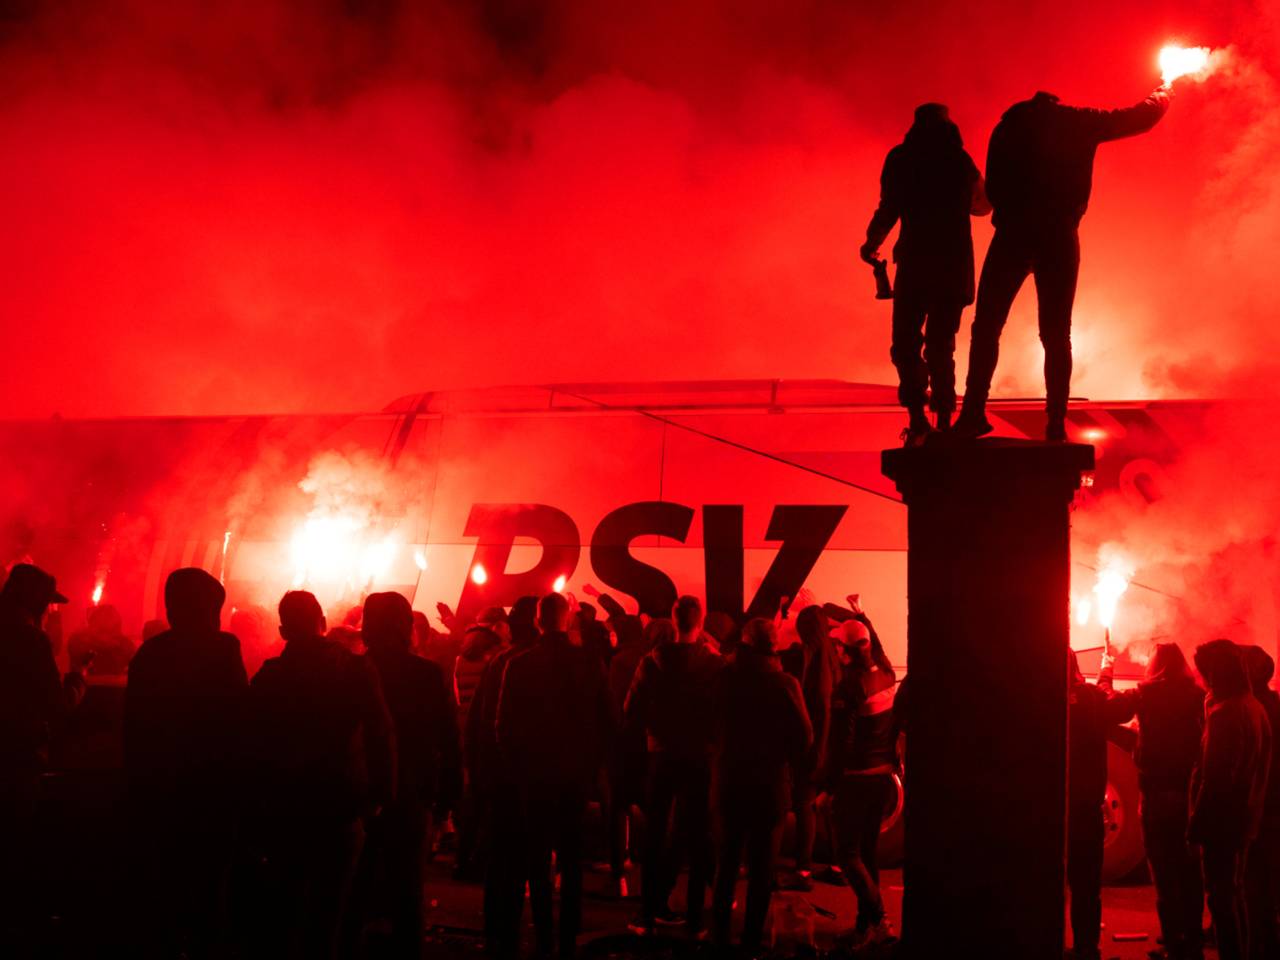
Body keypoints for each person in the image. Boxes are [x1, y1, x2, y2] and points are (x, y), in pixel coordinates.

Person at [956, 84, 1170, 441]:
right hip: (1058, 236)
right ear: (1055, 104)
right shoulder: (1076, 122)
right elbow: (1139, 119)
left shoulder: (1008, 127)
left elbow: (993, 189)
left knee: (987, 325)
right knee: (1056, 334)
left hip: (1011, 234)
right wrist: (1164, 93)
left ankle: (973, 412)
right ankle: (1055, 423)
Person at [242, 590, 395, 960]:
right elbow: (380, 733)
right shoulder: (355, 669)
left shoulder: (269, 677)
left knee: (284, 907)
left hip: (285, 807)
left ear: (282, 629)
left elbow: (249, 743)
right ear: (323, 622)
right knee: (331, 911)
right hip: (339, 804)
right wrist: (381, 796)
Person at [124, 567, 248, 958]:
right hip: (211, 788)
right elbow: (239, 715)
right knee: (210, 885)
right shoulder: (222, 648)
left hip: (159, 786)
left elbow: (134, 724)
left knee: (165, 883)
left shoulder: (150, 653)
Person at [861, 102, 991, 445]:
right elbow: (983, 204)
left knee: (906, 343)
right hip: (953, 266)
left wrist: (871, 243)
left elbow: (888, 207)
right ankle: (945, 421)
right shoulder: (959, 161)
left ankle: (918, 419)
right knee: (940, 345)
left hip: (916, 265)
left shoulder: (902, 159)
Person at [496, 592, 616, 959]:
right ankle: (569, 932)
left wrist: (517, 768)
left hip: (535, 774)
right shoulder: (589, 662)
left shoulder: (518, 665)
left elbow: (503, 726)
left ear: (537, 620)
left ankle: (544, 932)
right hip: (575, 774)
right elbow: (608, 720)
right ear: (567, 620)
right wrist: (594, 764)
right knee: (571, 854)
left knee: (537, 856)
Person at [355, 591, 462, 958]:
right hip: (413, 792)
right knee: (408, 889)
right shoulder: (426, 674)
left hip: (363, 793)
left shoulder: (355, 670)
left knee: (358, 885)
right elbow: (448, 736)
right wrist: (449, 795)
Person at [710, 618, 812, 952]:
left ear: (745, 643)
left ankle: (719, 937)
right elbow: (804, 737)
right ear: (774, 645)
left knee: (725, 864)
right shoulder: (785, 683)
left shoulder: (723, 678)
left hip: (730, 781)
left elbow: (707, 724)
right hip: (769, 786)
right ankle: (751, 943)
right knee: (761, 870)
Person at [0, 564, 88, 950]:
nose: (50, 612)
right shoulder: (29, 640)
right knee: (12, 846)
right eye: (48, 605)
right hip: (16, 758)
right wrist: (77, 676)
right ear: (35, 600)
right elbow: (58, 708)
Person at [1099, 643, 1206, 960]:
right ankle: (1193, 943)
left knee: (1163, 870)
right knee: (1189, 872)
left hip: (1157, 795)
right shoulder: (1197, 695)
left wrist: (1107, 671)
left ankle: (1174, 943)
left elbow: (1110, 705)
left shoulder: (1146, 693)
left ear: (1155, 666)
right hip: (1188, 795)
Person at [624, 601, 723, 936]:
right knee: (697, 835)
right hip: (699, 756)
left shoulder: (651, 662)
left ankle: (648, 913)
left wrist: (653, 733)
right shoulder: (713, 664)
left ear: (673, 621)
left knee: (654, 835)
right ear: (701, 623)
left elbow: (631, 709)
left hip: (661, 755)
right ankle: (695, 921)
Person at [466, 595, 539, 958]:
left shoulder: (500, 662)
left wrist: (480, 772)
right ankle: (539, 937)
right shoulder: (535, 663)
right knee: (531, 857)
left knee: (502, 859)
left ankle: (498, 931)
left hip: (502, 776)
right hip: (533, 776)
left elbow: (478, 722)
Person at [1189, 640, 1272, 960]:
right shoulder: (1253, 706)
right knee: (1236, 896)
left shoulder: (1226, 715)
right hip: (1245, 818)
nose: (1201, 678)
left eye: (1205, 672)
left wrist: (1195, 828)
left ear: (1216, 672)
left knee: (1221, 900)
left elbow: (1215, 779)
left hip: (1223, 825)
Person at [818, 618, 897, 948]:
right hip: (882, 779)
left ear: (845, 651)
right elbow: (872, 643)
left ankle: (878, 919)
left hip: (855, 781)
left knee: (846, 853)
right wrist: (861, 615)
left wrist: (829, 787)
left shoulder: (849, 687)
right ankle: (865, 927)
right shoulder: (887, 671)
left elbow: (841, 744)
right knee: (866, 854)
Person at [1065, 648, 1137, 960]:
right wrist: (1106, 673)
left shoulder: (1035, 696)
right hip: (1085, 810)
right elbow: (1117, 708)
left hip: (1049, 811)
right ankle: (1086, 949)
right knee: (1086, 888)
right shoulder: (1092, 697)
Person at [780, 605, 838, 891]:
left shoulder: (804, 657)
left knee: (802, 806)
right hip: (829, 746)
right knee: (819, 807)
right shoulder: (832, 654)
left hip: (808, 745)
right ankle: (826, 866)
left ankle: (802, 870)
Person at [453, 606, 509, 881]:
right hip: (484, 733)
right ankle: (479, 861)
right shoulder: (494, 665)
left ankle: (462, 859)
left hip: (463, 729)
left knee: (470, 797)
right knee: (487, 802)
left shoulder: (458, 662)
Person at [604, 614, 654, 895]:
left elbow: (613, 702)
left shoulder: (619, 660)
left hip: (623, 743)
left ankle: (619, 872)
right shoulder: (650, 656)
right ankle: (650, 874)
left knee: (618, 808)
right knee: (651, 810)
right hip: (647, 743)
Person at [1242, 646, 1280, 960]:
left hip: (1257, 808)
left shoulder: (1248, 709)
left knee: (1253, 881)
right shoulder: (1274, 704)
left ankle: (1257, 945)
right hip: (1271, 805)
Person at [67, 602, 135, 676]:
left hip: (115, 686)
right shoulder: (80, 642)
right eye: (103, 630)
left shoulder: (125, 645)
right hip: (87, 685)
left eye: (112, 630)